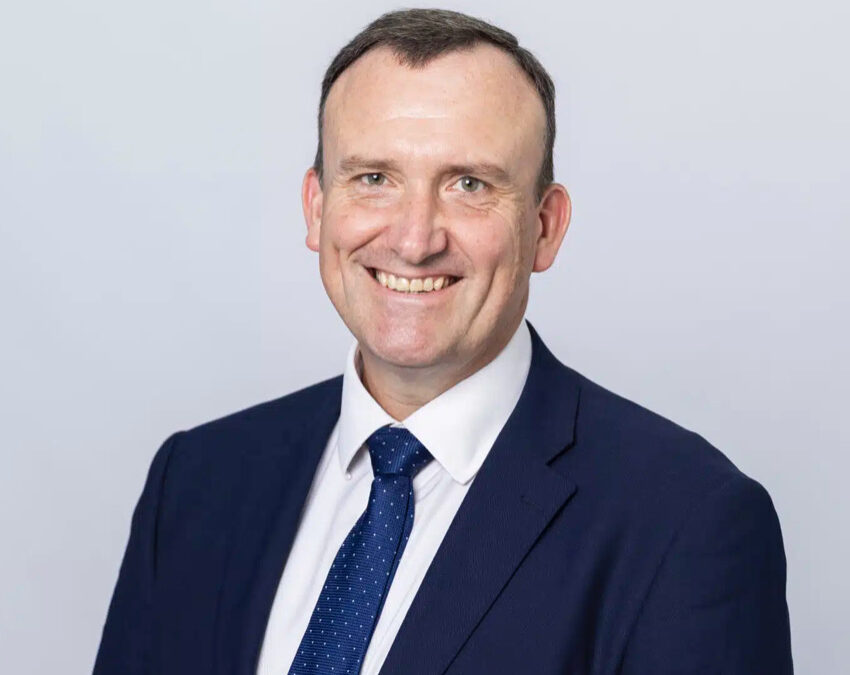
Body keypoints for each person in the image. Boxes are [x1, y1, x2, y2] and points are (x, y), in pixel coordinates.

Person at [93, 8, 793, 675]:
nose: (414, 238)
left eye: (469, 184)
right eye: (374, 178)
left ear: (546, 227)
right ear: (317, 207)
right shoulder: (196, 481)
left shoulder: (685, 523)